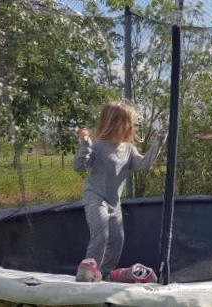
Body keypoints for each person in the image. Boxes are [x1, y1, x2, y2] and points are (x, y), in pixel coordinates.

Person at [73, 101, 166, 282]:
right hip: (95, 199)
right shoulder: (98, 146)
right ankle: (89, 269)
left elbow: (144, 164)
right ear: (117, 123)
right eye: (130, 122)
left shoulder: (128, 149)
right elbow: (78, 166)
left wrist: (159, 142)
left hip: (114, 203)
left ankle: (105, 274)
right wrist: (85, 145)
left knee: (117, 241)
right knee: (101, 235)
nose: (133, 127)